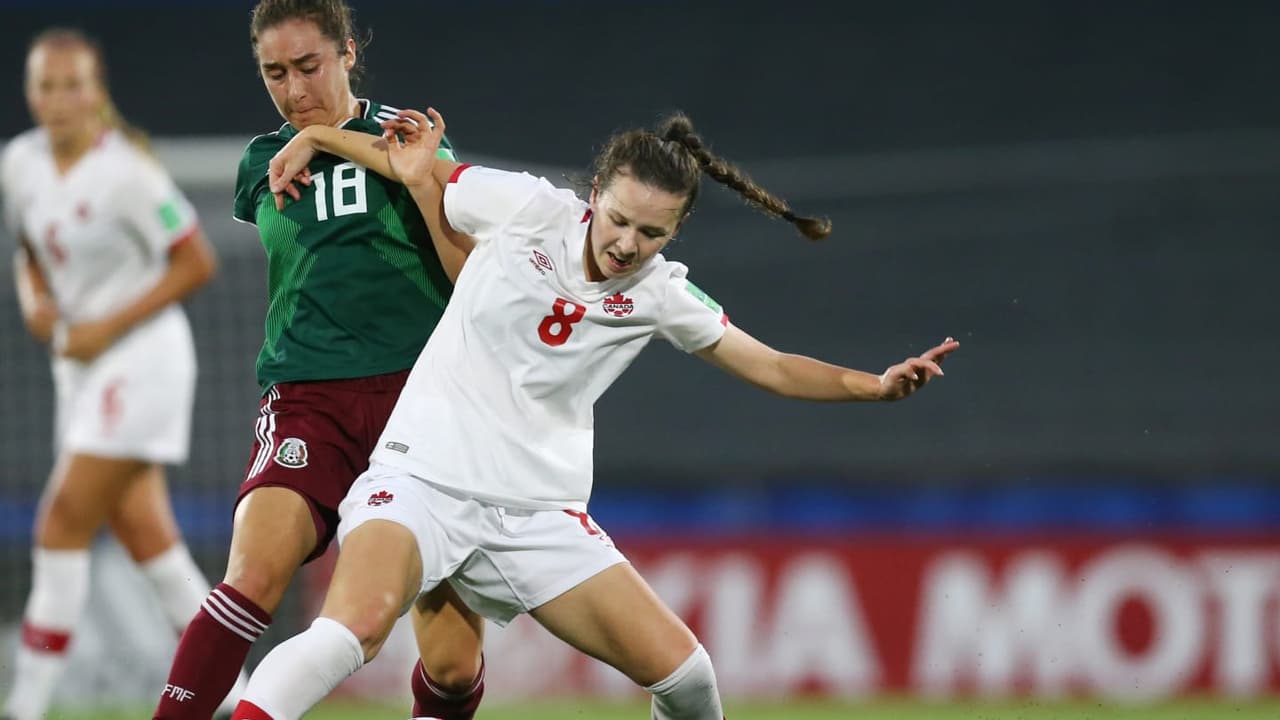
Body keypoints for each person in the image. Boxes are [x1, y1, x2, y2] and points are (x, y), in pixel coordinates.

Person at [228, 106, 961, 720]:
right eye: (618, 220)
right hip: (422, 483)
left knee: (690, 678)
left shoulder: (662, 292)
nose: (627, 244)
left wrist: (872, 385)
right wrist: (321, 136)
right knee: (350, 630)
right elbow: (412, 165)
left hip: (539, 516)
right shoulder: (523, 206)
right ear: (597, 191)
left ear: (674, 234)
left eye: (652, 234)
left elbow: (768, 364)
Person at [152, 3, 488, 719]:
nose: (294, 89)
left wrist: (340, 144)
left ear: (346, 54)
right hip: (309, 399)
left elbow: (467, 260)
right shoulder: (257, 164)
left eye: (309, 66)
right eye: (275, 73)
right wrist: (308, 138)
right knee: (250, 577)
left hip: (419, 403)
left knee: (454, 669)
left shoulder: (409, 137)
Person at [0, 28, 233, 720]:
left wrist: (104, 326)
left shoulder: (129, 171)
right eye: (47, 84)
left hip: (141, 361)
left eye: (75, 84)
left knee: (61, 521)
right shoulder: (19, 162)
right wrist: (35, 301)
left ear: (96, 92)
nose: (61, 98)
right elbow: (26, 248)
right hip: (81, 371)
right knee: (154, 548)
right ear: (30, 93)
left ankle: (25, 706)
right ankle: (238, 700)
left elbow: (196, 261)